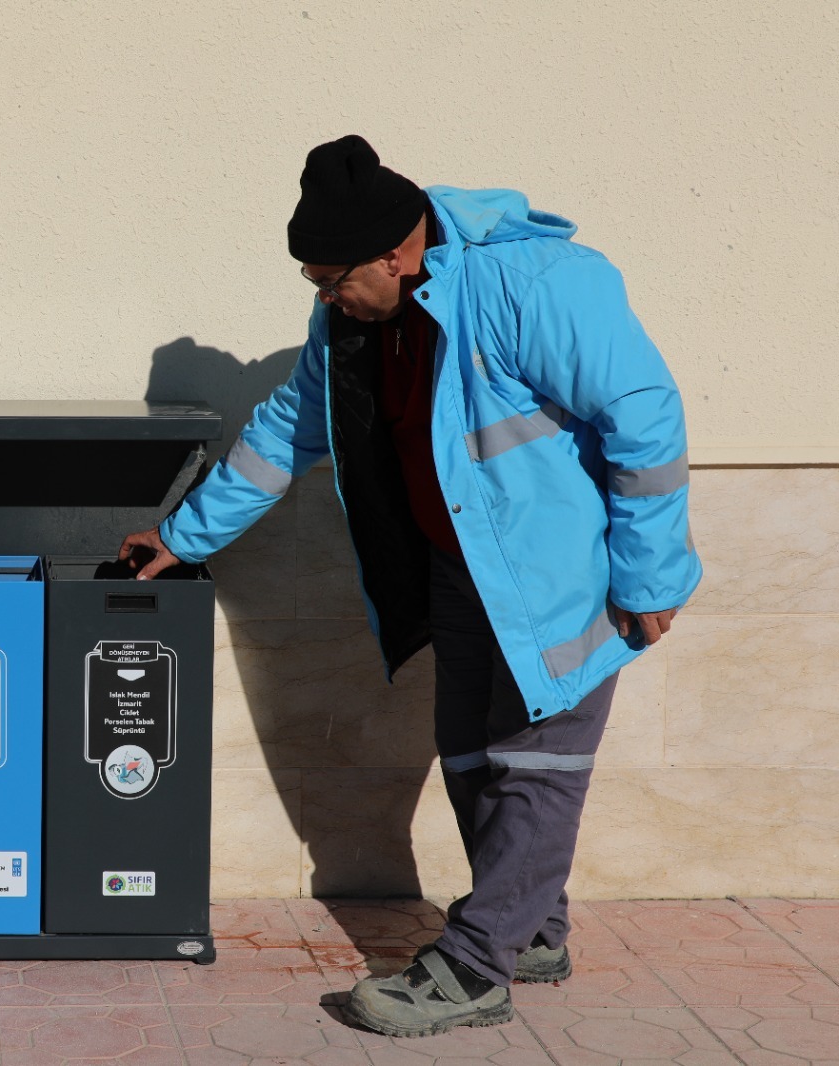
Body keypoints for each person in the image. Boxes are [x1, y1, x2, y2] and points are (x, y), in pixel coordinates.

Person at [119, 135, 701, 1038]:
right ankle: (532, 930)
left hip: (563, 579)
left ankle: (472, 970)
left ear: (399, 251)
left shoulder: (536, 285)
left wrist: (651, 571)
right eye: (312, 282)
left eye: (332, 278)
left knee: (536, 764)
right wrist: (183, 534)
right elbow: (286, 432)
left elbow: (644, 416)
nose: (323, 297)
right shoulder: (353, 324)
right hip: (457, 572)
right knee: (468, 752)